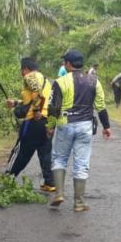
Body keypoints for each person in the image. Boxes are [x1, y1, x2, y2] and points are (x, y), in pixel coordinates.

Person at [47, 49, 112, 212]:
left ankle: (59, 194)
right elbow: (101, 106)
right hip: (85, 126)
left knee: (59, 158)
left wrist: (50, 126)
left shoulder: (60, 82)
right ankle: (79, 203)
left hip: (65, 124)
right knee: (81, 163)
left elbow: (53, 108)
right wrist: (106, 126)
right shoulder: (94, 81)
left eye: (65, 62)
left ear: (68, 64)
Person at [4, 58, 56, 193]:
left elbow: (37, 93)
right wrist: (15, 103)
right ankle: (49, 182)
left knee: (21, 151)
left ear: (26, 69)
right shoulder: (46, 81)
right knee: (45, 153)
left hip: (33, 121)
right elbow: (36, 98)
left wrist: (37, 110)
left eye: (22, 70)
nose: (22, 73)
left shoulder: (30, 76)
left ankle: (7, 178)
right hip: (47, 120)